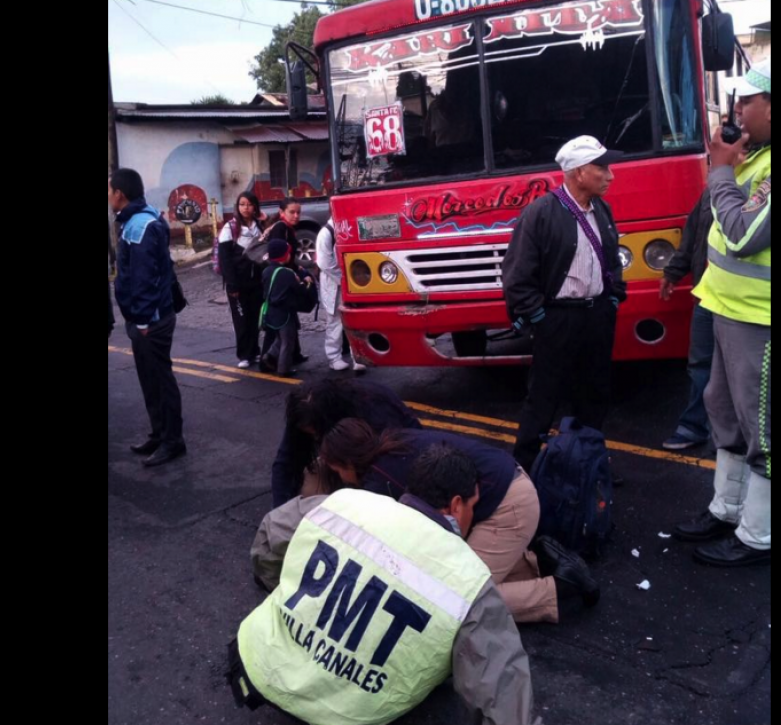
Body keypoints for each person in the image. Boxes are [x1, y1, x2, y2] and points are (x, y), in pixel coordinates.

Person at [236, 489, 542, 725]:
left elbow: (270, 536)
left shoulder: (343, 501)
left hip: (260, 662)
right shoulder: (468, 578)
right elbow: (503, 699)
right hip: (346, 713)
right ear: (456, 505)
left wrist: (276, 586)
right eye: (473, 507)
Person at [318, 421, 601, 623]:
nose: (341, 478)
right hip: (502, 490)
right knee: (457, 575)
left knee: (459, 600)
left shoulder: (378, 481)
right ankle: (537, 563)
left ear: (347, 462)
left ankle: (562, 587)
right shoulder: (393, 439)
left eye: (337, 470)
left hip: (506, 506)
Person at [673, 59, 772, 567]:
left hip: (760, 320)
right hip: (726, 307)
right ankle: (727, 508)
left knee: (763, 429)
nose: (736, 111)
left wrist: (721, 171)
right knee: (724, 412)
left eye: (747, 103)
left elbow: (743, 233)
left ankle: (758, 535)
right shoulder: (755, 160)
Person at [502, 136, 627, 473]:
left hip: (597, 317)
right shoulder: (540, 213)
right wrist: (539, 316)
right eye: (601, 167)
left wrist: (613, 296)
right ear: (577, 172)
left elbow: (613, 259)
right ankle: (523, 470)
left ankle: (590, 465)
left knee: (594, 395)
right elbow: (516, 274)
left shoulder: (602, 209)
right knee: (543, 398)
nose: (610, 175)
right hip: (557, 320)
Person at [109, 168, 186, 467]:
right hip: (148, 317)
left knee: (160, 379)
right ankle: (159, 433)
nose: (108, 196)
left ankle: (173, 441)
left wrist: (142, 321)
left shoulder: (139, 226)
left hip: (151, 320)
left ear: (120, 194)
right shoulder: (139, 218)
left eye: (109, 190)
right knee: (149, 379)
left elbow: (144, 279)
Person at [270, 380, 422, 508]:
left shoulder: (375, 411)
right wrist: (280, 513)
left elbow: (390, 467)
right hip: (356, 453)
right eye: (310, 434)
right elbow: (285, 463)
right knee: (312, 492)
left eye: (317, 432)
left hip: (405, 453)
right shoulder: (303, 413)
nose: (315, 437)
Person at [659, 189, 714, 450]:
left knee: (746, 372)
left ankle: (748, 436)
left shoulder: (758, 185)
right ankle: (694, 426)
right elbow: (693, 236)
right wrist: (673, 272)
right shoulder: (713, 190)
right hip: (707, 296)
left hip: (745, 304)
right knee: (700, 364)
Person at [219, 192, 266, 369]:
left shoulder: (259, 227)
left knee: (255, 318)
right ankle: (244, 354)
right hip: (237, 284)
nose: (246, 208)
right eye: (242, 204)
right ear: (237, 207)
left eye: (249, 204)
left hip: (256, 282)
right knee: (241, 319)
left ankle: (254, 351)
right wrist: (231, 285)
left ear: (255, 206)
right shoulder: (229, 228)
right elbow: (225, 260)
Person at [316, 219, 366, 372]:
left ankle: (358, 356)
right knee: (335, 321)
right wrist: (344, 279)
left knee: (356, 320)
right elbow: (324, 263)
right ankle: (334, 357)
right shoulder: (326, 233)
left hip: (352, 281)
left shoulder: (353, 226)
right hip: (335, 283)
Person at [260, 238, 314, 377]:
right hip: (285, 313)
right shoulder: (287, 273)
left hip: (271, 312)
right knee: (287, 341)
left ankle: (269, 356)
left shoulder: (266, 271)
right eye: (288, 253)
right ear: (284, 255)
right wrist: (306, 282)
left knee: (279, 338)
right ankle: (283, 369)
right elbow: (299, 290)